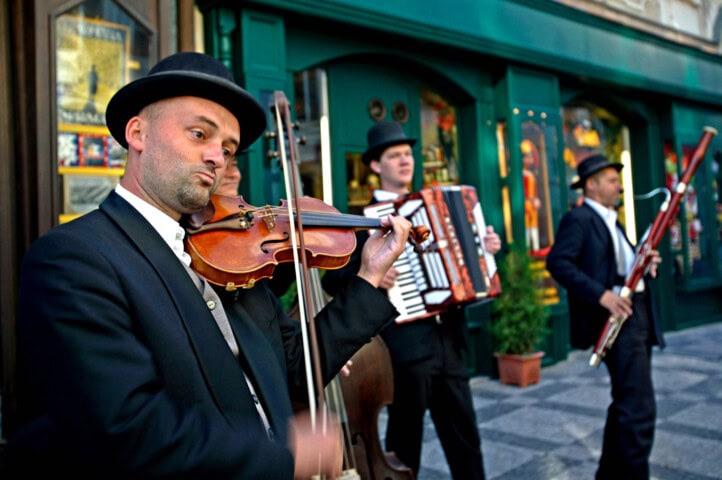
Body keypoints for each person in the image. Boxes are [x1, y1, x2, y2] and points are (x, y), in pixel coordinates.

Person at [6, 52, 411, 479]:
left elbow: (296, 369)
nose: (218, 157)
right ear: (137, 132)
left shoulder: (230, 259)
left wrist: (368, 277)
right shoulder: (73, 259)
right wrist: (288, 455)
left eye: (229, 148)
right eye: (200, 133)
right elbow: (126, 432)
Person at [322, 120, 501, 480]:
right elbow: (332, 278)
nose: (405, 160)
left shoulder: (436, 206)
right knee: (405, 448)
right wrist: (370, 277)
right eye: (394, 155)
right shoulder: (363, 221)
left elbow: (464, 260)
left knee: (465, 441)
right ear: (376, 166)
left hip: (448, 340)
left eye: (408, 154)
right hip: (403, 349)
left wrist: (487, 248)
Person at [546, 154, 664, 479]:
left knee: (626, 402)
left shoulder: (613, 220)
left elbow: (620, 270)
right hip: (616, 322)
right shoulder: (580, 219)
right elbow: (558, 262)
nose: (618, 186)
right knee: (639, 409)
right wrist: (602, 295)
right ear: (592, 185)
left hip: (636, 316)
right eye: (612, 180)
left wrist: (645, 267)